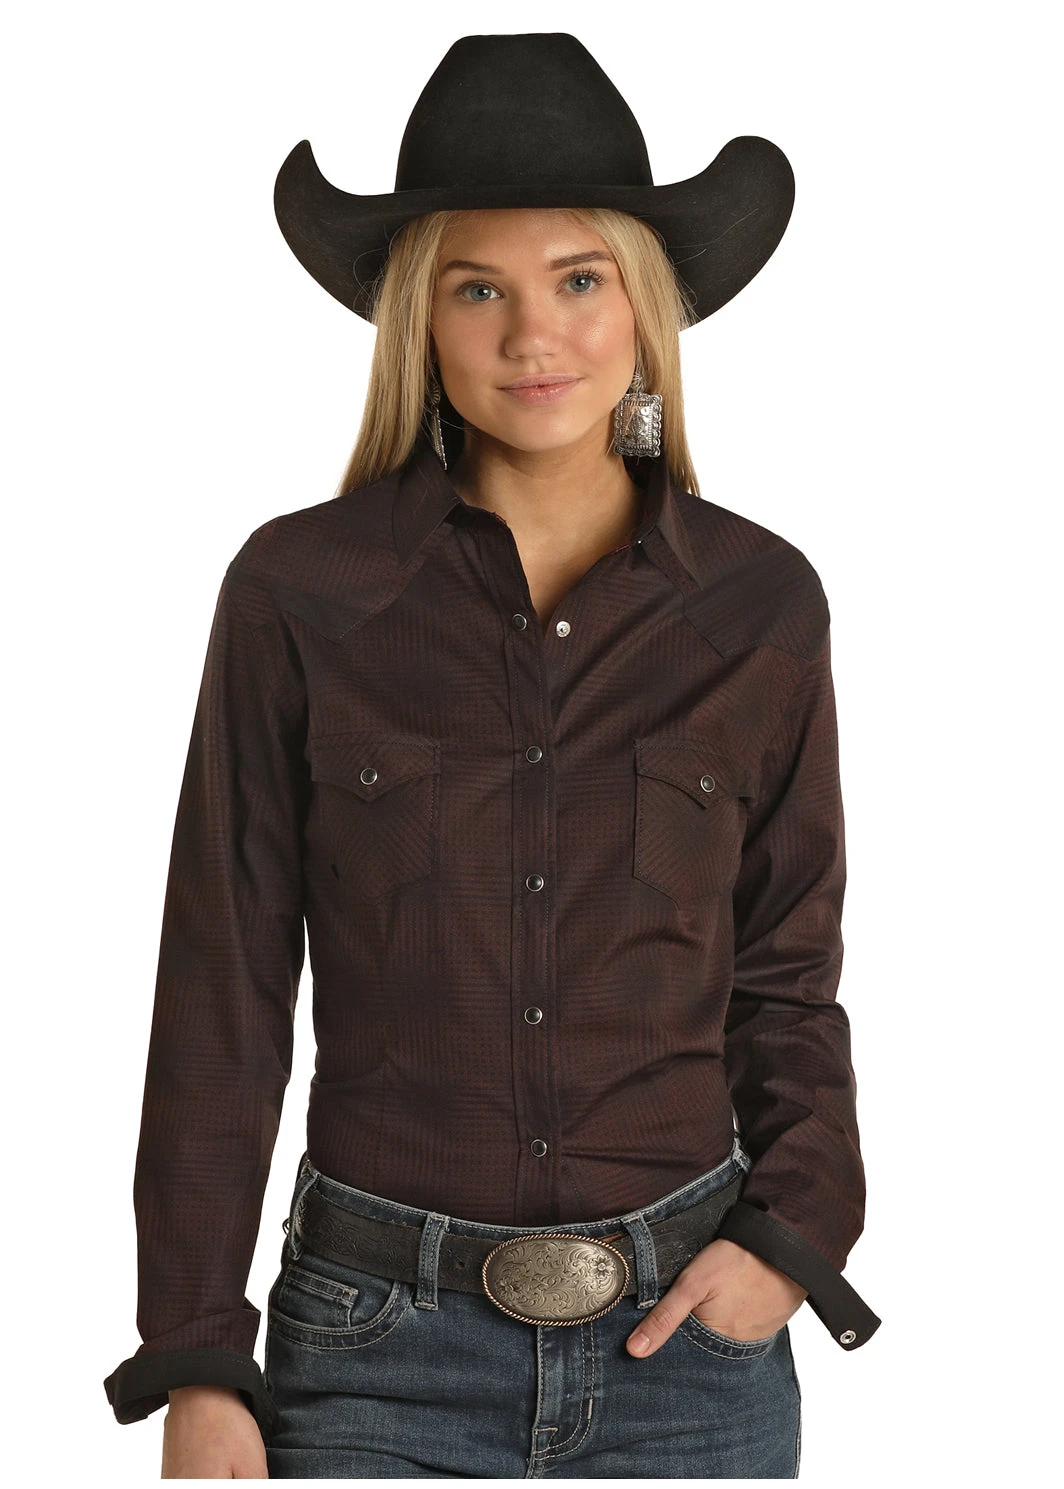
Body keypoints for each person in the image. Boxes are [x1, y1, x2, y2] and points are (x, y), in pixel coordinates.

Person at [103, 32, 880, 1479]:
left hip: (689, 1360)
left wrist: (793, 1235)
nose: (535, 336)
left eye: (579, 280)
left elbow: (787, 973)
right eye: (479, 289)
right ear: (420, 318)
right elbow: (224, 984)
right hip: (368, 1353)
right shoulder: (301, 594)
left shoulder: (759, 605)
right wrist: (196, 1353)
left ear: (642, 304)